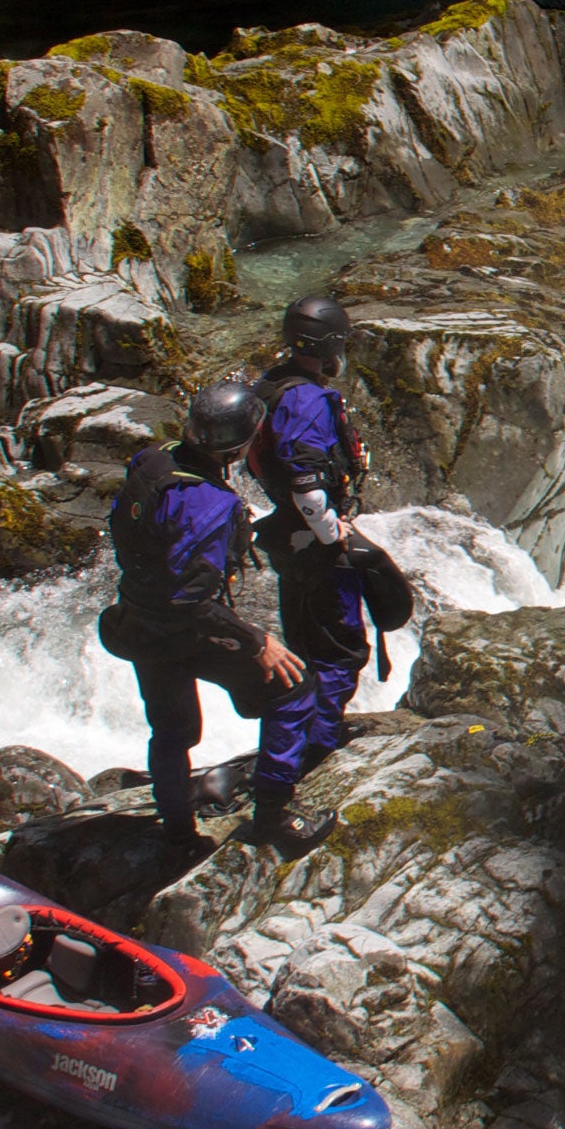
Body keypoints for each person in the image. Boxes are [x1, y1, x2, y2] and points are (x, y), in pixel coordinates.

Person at [98, 379, 336, 857]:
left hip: (138, 620)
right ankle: (273, 817)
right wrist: (256, 641)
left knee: (171, 731)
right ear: (238, 446)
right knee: (293, 689)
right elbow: (192, 601)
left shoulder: (153, 459)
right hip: (183, 627)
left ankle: (178, 836)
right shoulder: (211, 503)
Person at [246, 295, 371, 839]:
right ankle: (317, 749)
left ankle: (303, 743)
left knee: (303, 643)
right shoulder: (306, 401)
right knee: (340, 649)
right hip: (314, 542)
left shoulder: (271, 386)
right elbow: (306, 477)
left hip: (286, 537)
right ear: (330, 346)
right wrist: (331, 535)